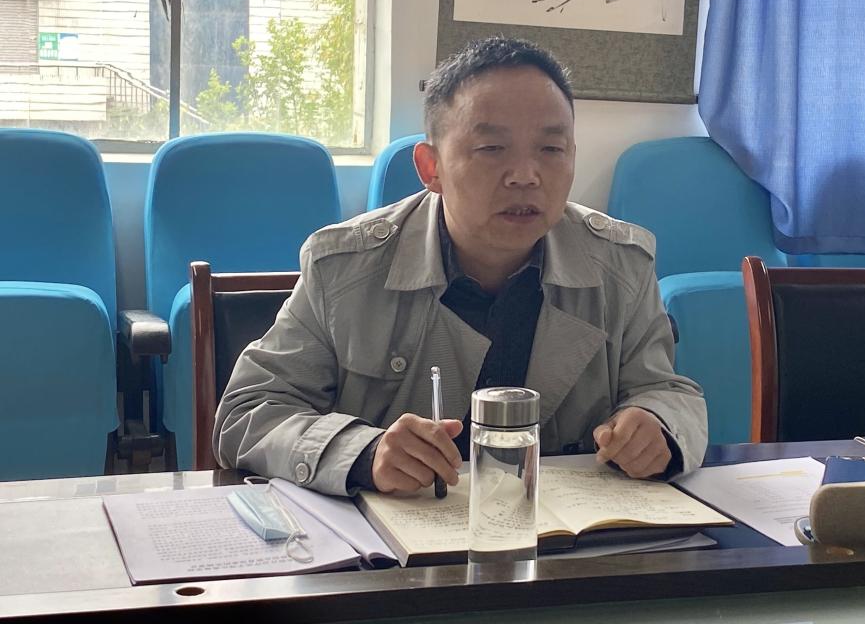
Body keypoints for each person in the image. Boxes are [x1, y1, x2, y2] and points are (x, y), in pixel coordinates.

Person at [214, 37, 708, 496]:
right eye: (492, 149)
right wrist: (363, 452)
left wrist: (656, 424)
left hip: (571, 542)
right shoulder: (344, 269)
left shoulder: (620, 266)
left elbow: (665, 389)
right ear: (431, 168)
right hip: (394, 545)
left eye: (551, 149)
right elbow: (249, 412)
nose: (525, 176)